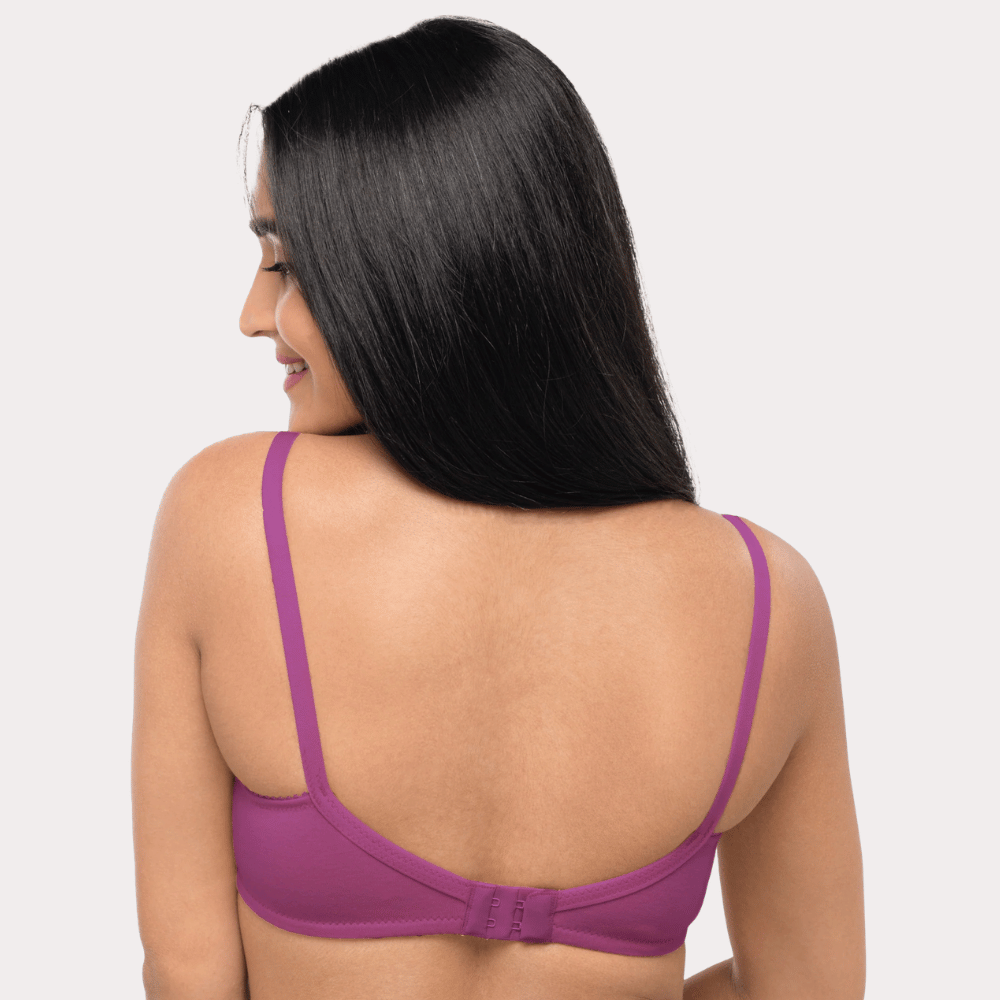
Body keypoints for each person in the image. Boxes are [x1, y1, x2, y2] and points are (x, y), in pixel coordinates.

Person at [131, 16, 864, 1000]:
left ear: (411, 263)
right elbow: (812, 988)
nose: (253, 315)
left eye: (286, 263)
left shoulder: (232, 515)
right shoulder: (767, 600)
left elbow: (189, 974)